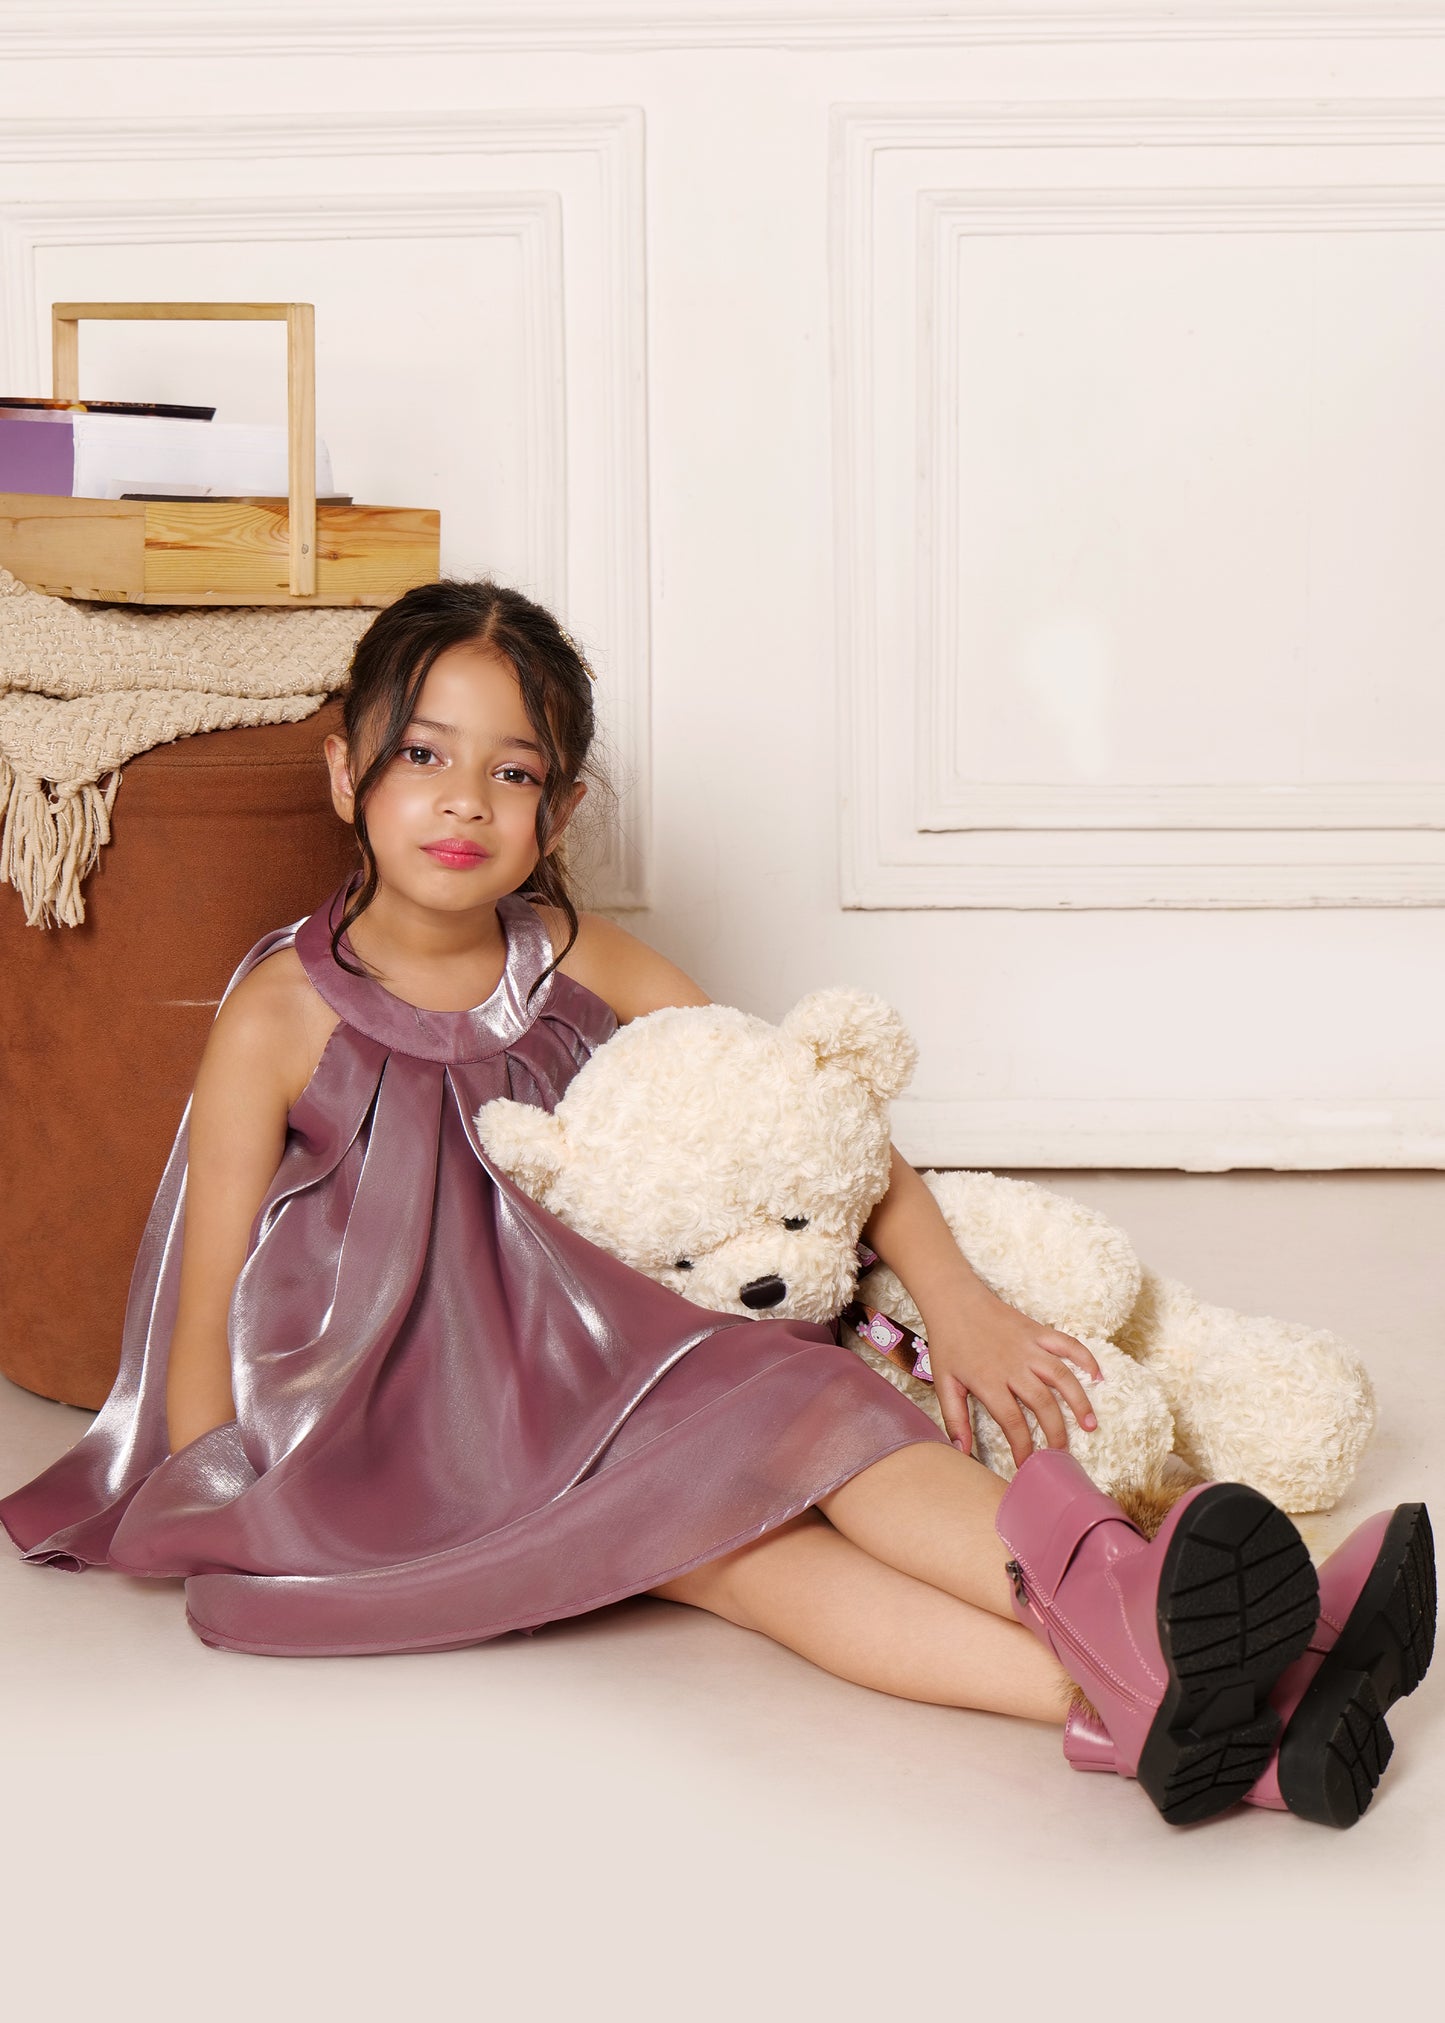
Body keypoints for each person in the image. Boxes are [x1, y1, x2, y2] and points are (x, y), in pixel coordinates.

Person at [1, 580, 1432, 1830]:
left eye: (512, 775)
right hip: (419, 1417)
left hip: (608, 1358)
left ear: (558, 811)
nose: (462, 802)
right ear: (344, 775)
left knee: (822, 1421)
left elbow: (801, 1116)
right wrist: (208, 1482)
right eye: (423, 756)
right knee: (744, 1555)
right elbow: (209, 1278)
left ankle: (1194, 1699)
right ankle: (1258, 1665)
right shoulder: (281, 1011)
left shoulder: (575, 952)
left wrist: (961, 1303)